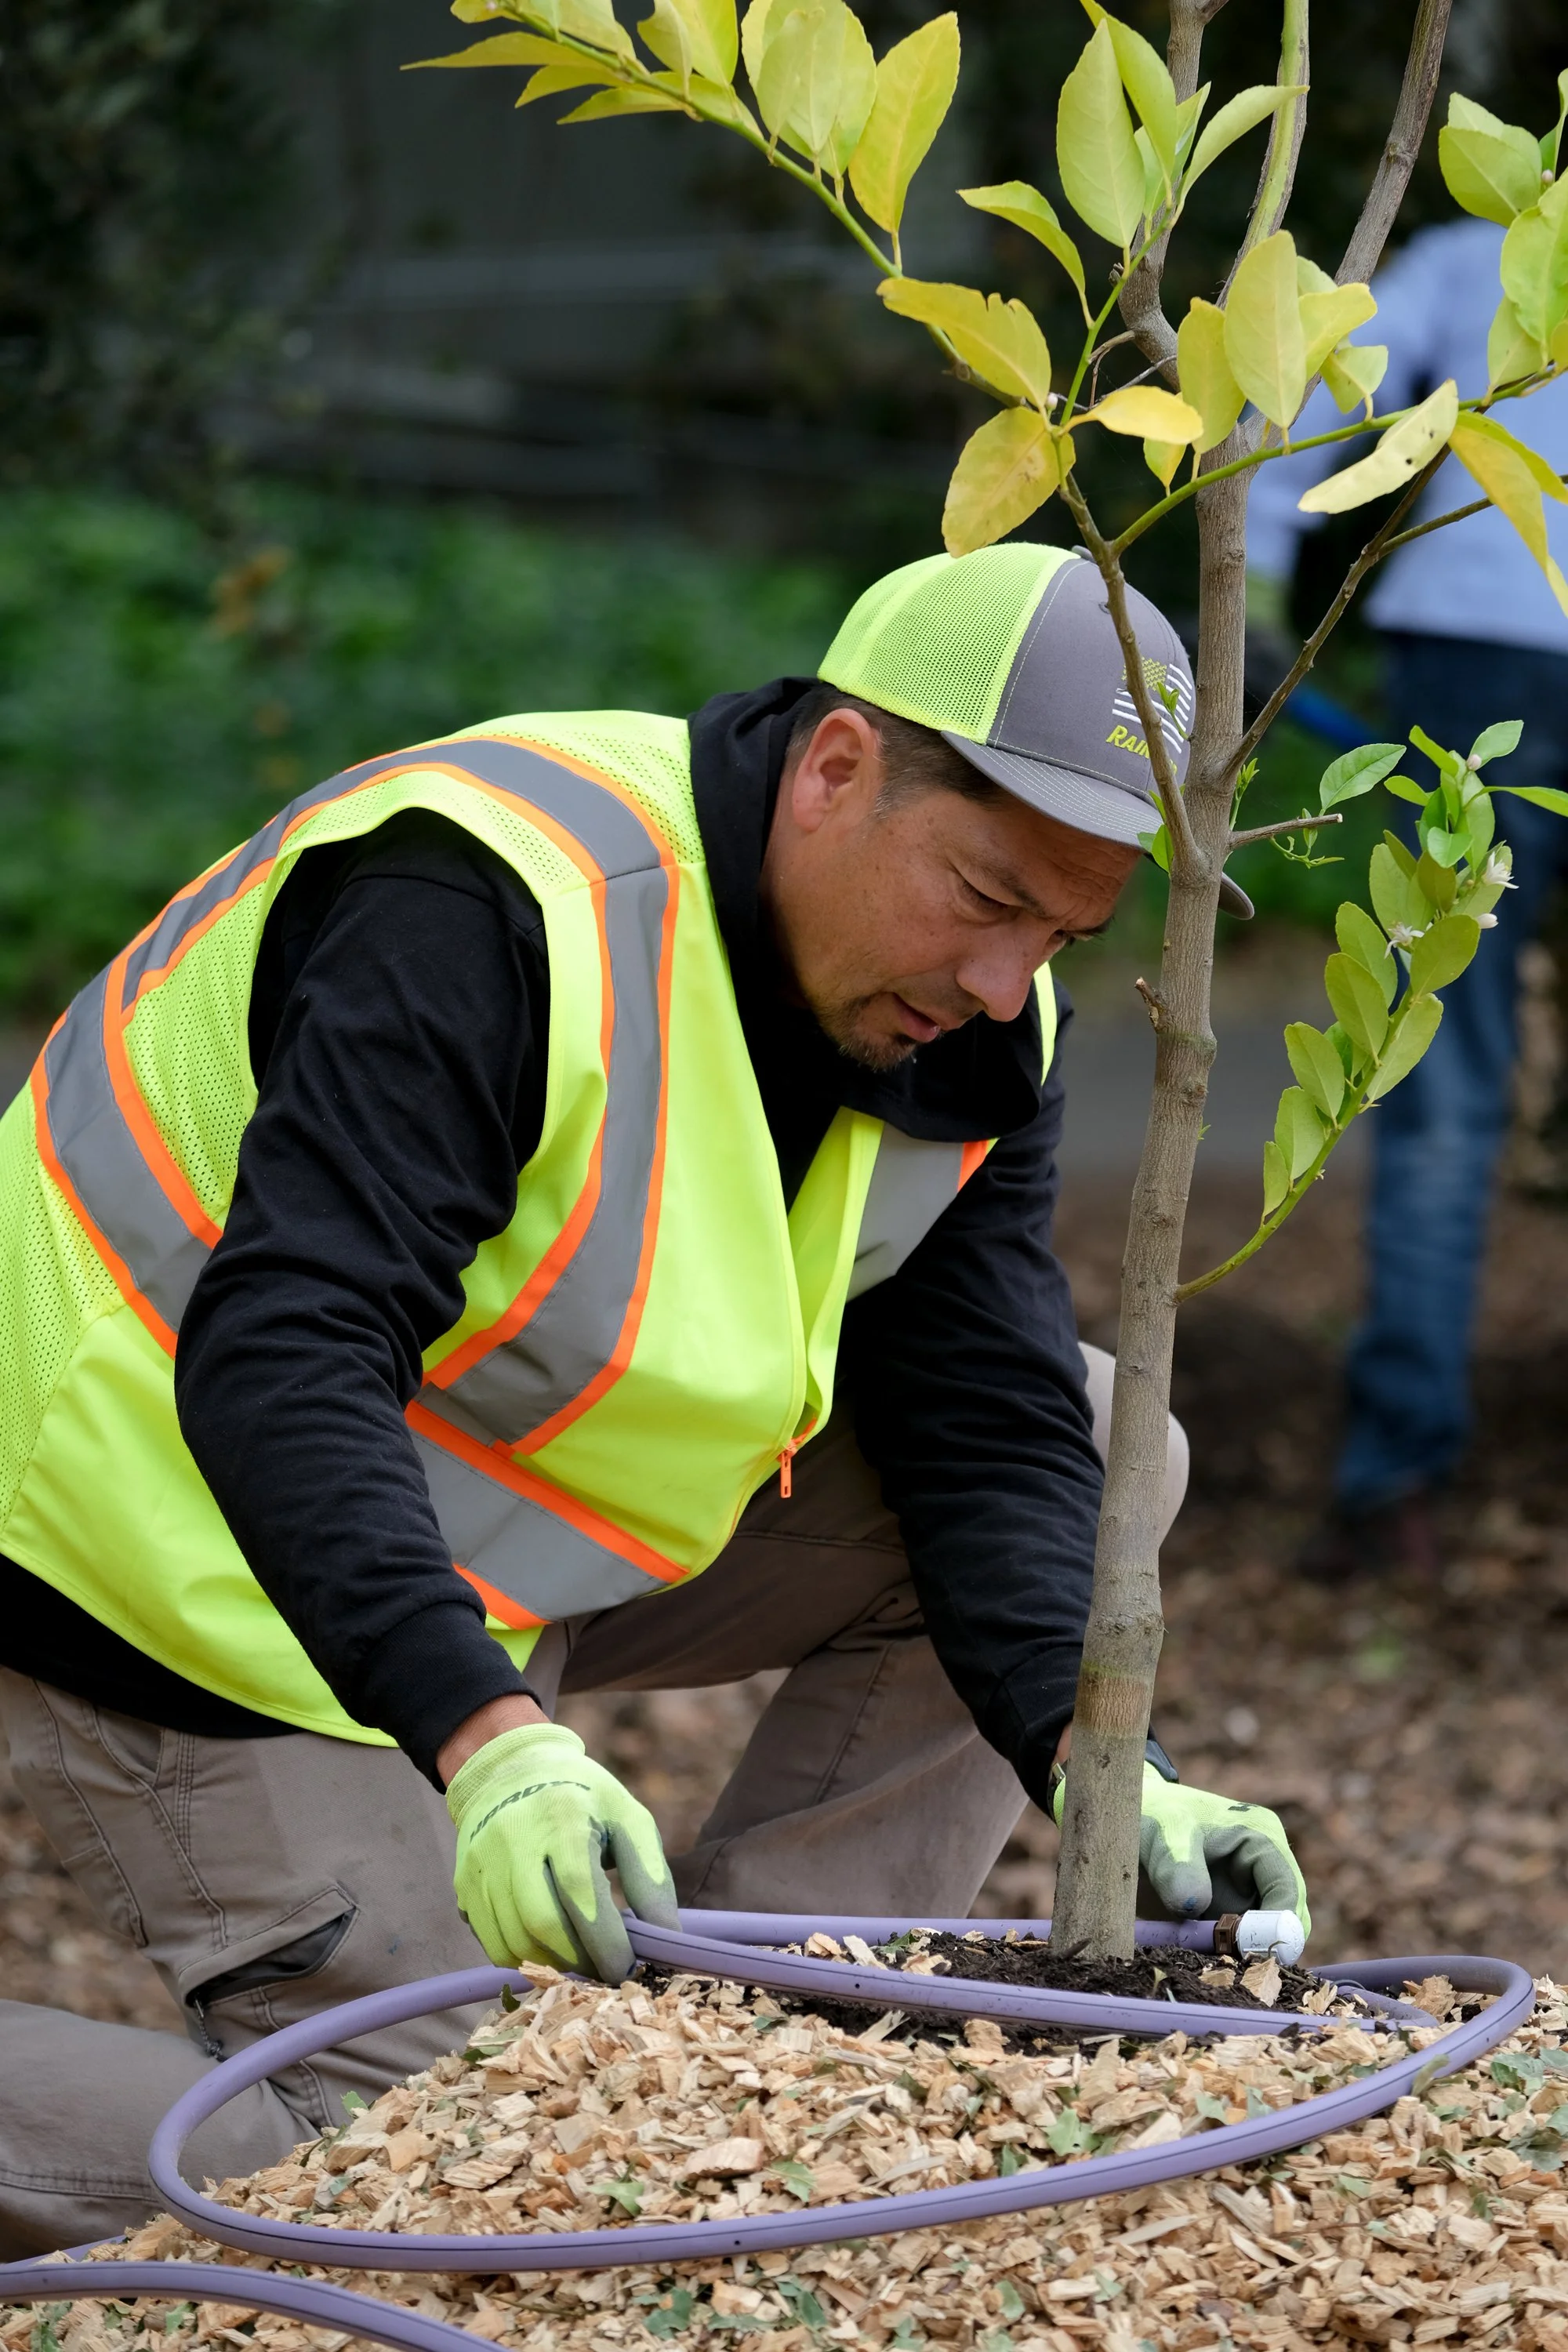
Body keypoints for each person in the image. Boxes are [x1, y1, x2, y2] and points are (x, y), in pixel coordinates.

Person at [0, 541, 1305, 2254]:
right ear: (836, 767)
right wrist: (487, 1744)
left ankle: (750, 2062)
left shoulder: (975, 1015)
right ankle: (548, 2114)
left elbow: (984, 1417)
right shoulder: (484, 903)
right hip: (165, 1553)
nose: (1010, 982)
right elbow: (290, 1353)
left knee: (1101, 1433)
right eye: (988, 902)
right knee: (446, 2164)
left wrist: (1091, 1763)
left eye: (1063, 931)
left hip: (494, 1530)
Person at [1247, 217, 1568, 1578]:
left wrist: (1256, 575)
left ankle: (1396, 1494)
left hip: (1474, 652)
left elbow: (1319, 374)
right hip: (1479, 645)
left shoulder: (1496, 248)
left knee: (1439, 1060)